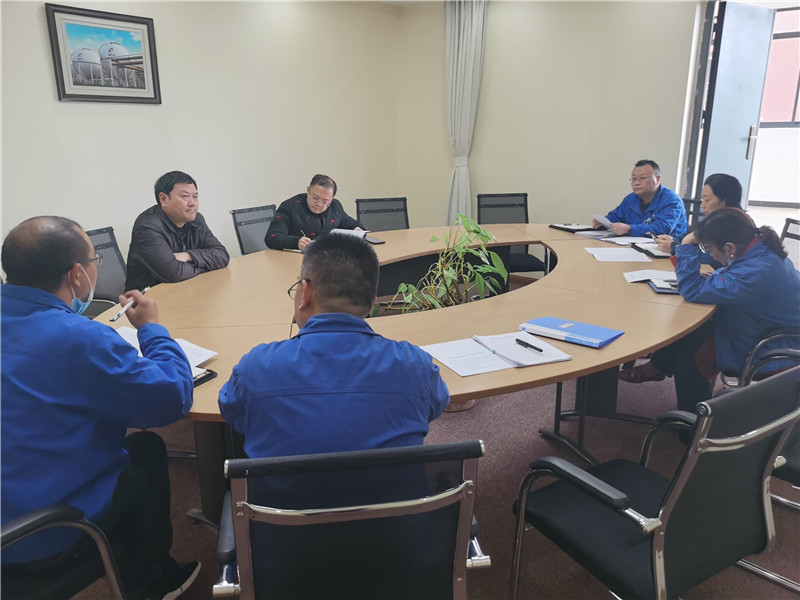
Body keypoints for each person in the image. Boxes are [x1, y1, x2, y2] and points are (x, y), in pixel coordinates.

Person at [1, 216, 200, 598]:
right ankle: (152, 581)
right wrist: (151, 329)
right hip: (34, 535)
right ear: (77, 275)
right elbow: (173, 397)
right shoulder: (78, 338)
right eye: (95, 261)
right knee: (145, 449)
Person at [219, 233, 449, 459]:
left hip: (284, 487)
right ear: (372, 302)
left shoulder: (256, 367)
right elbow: (435, 405)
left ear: (305, 293)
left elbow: (233, 413)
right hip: (395, 487)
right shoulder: (416, 365)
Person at [619, 208, 800, 411]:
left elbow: (692, 290)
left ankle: (695, 419)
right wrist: (719, 277)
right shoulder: (760, 248)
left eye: (707, 248)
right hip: (761, 326)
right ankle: (659, 368)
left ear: (729, 248)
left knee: (688, 339)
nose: (708, 252)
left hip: (771, 348)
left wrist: (686, 244)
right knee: (687, 326)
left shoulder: (756, 272)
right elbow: (737, 271)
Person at [126, 170, 230, 291]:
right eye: (185, 196)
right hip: (148, 298)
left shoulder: (197, 220)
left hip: (187, 289)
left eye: (195, 197)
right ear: (164, 199)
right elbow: (173, 273)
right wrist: (207, 264)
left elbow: (222, 255)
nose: (193, 203)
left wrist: (188, 256)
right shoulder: (147, 226)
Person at [654, 173, 743, 264]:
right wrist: (671, 238)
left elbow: (710, 258)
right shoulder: (716, 220)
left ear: (724, 201)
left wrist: (675, 248)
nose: (702, 205)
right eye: (702, 199)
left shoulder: (734, 226)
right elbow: (692, 237)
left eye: (707, 200)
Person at [265, 174, 363, 251]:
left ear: (332, 199)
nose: (319, 204)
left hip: (328, 258)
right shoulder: (289, 207)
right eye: (315, 198)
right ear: (308, 190)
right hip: (297, 261)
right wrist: (296, 242)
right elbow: (272, 237)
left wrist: (358, 229)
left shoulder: (335, 207)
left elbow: (351, 224)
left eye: (325, 202)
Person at [593, 159, 687, 238]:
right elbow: (616, 216)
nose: (637, 183)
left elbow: (662, 229)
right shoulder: (631, 198)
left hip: (666, 250)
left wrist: (630, 229)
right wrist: (603, 222)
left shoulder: (672, 200)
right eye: (634, 179)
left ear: (657, 179)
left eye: (643, 178)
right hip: (633, 246)